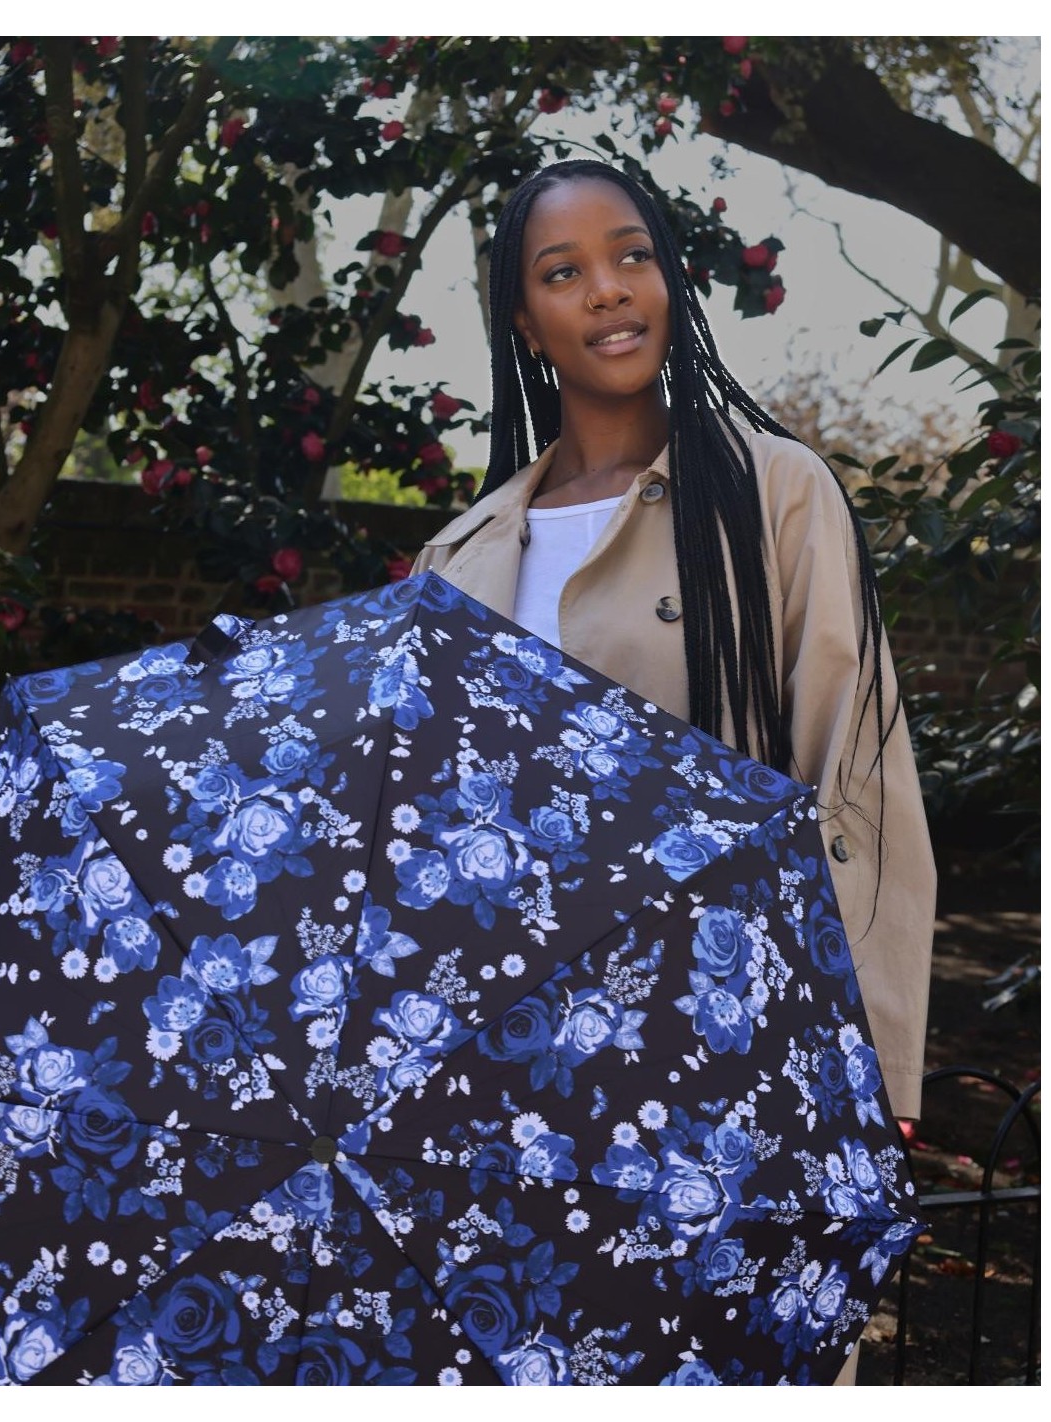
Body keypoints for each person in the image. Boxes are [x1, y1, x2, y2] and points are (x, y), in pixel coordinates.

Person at [411, 159, 936, 1383]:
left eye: (631, 255)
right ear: (522, 321)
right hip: (520, 1075)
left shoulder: (768, 493)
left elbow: (852, 780)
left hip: (728, 1060)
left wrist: (871, 1069)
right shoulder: (459, 556)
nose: (608, 290)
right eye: (563, 272)